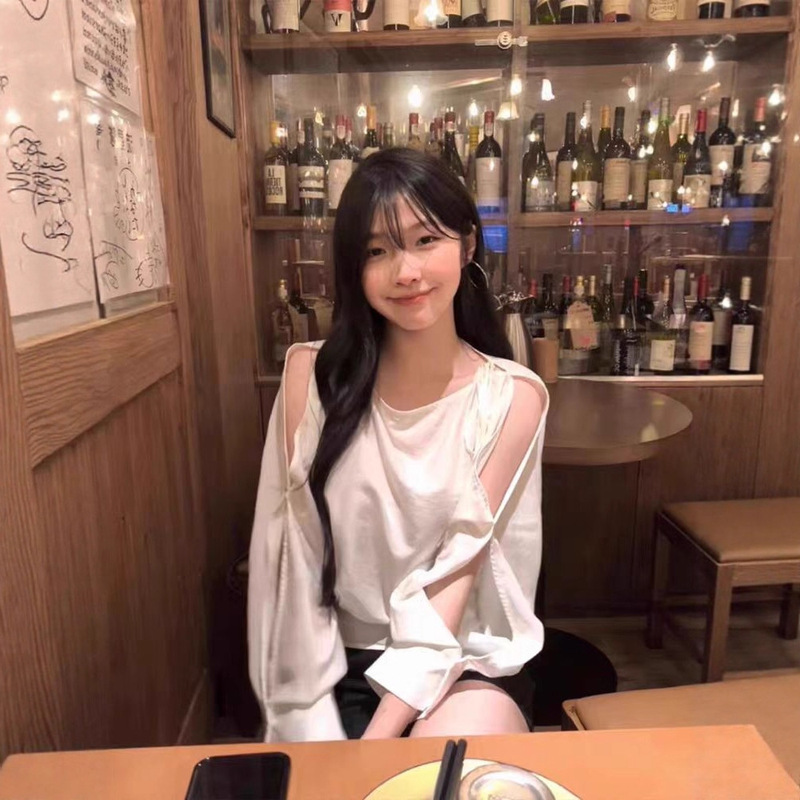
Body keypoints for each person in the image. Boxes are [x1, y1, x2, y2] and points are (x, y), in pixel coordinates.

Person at [248, 148, 549, 743]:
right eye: (377, 251)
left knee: (434, 769)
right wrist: (303, 712)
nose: (406, 272)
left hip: (459, 660)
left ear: (467, 246)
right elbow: (290, 559)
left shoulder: (512, 398)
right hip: (339, 662)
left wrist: (377, 742)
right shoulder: (311, 377)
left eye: (425, 240)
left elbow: (455, 579)